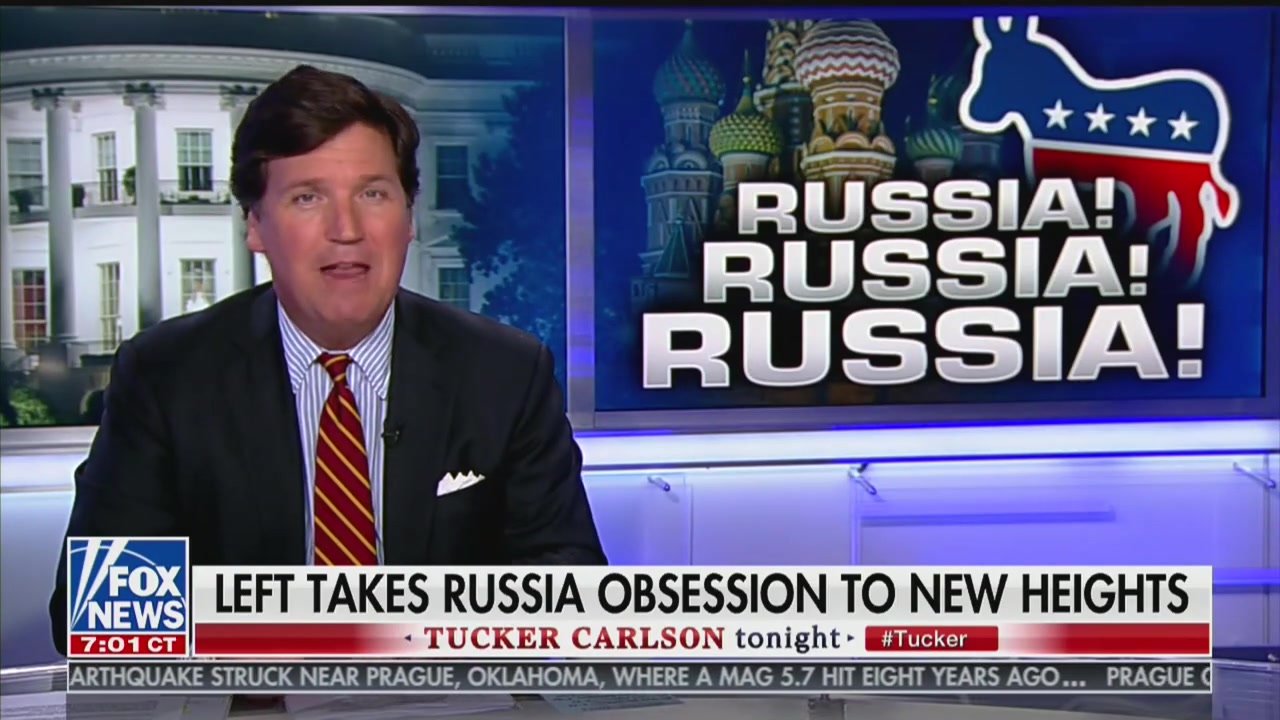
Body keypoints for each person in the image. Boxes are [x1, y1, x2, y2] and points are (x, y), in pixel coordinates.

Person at [49, 65, 606, 654]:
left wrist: (395, 639)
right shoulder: (167, 375)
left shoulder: (505, 372)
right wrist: (324, 632)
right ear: (256, 226)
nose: (347, 229)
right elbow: (103, 614)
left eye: (373, 194)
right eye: (308, 197)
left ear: (409, 218)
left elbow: (571, 592)